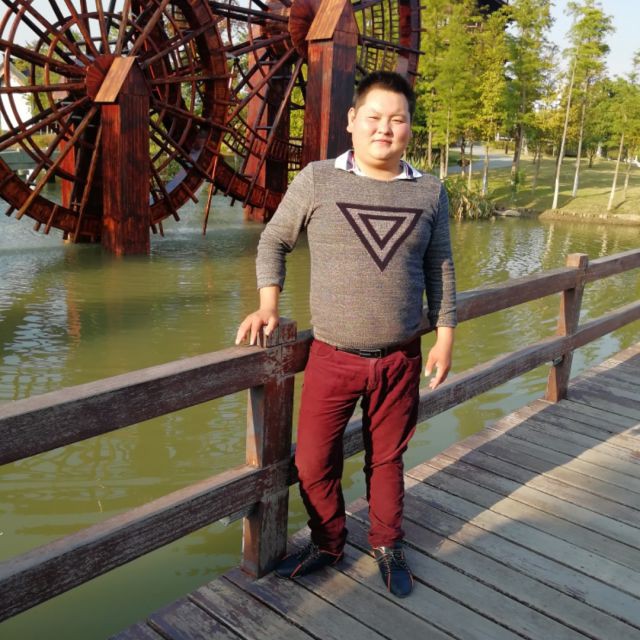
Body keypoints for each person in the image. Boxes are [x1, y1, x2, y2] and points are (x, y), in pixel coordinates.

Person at [235, 71, 456, 598]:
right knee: (312, 461)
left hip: (400, 357)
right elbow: (274, 240)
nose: (385, 129)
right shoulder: (318, 179)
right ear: (352, 121)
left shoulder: (430, 191)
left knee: (388, 460)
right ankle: (329, 541)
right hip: (332, 356)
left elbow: (441, 268)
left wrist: (445, 335)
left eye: (397, 119)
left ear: (410, 127)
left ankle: (387, 543)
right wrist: (269, 305)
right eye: (374, 117)